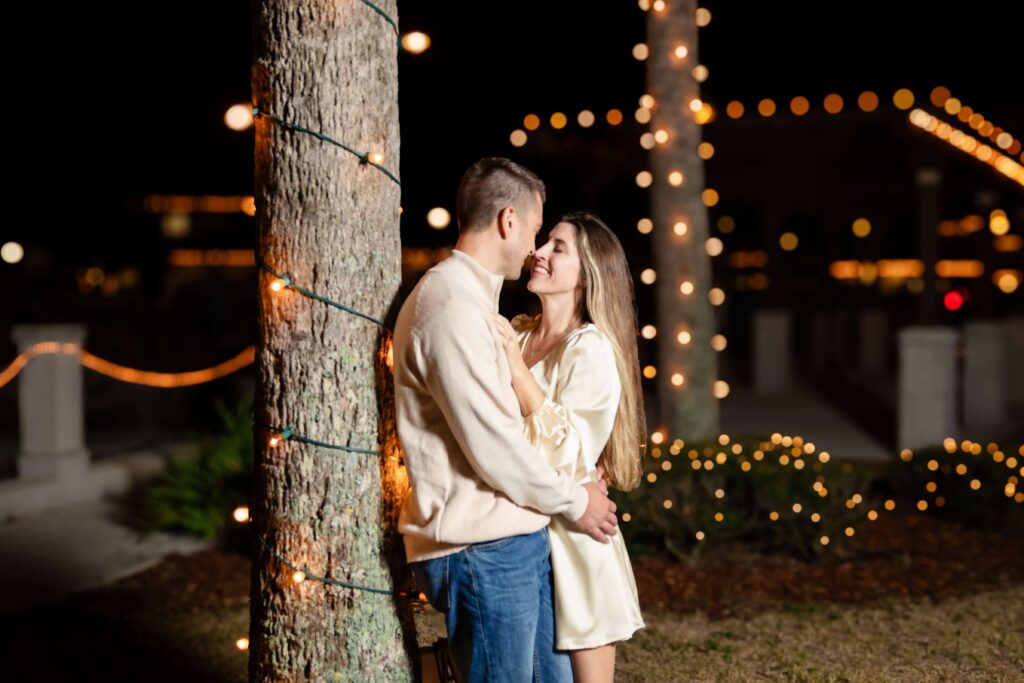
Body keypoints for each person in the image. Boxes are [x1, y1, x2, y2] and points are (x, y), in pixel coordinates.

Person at [392, 157, 619, 682]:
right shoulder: (452, 307)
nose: (535, 245)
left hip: (512, 539)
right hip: (480, 548)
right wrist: (575, 500)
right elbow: (495, 445)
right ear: (508, 221)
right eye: (537, 229)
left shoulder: (475, 305)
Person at [493, 211, 646, 683]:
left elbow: (571, 454)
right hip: (520, 536)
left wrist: (516, 369)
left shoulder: (590, 349)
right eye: (546, 242)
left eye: (558, 248)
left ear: (587, 276)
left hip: (578, 545)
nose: (539, 251)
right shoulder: (516, 330)